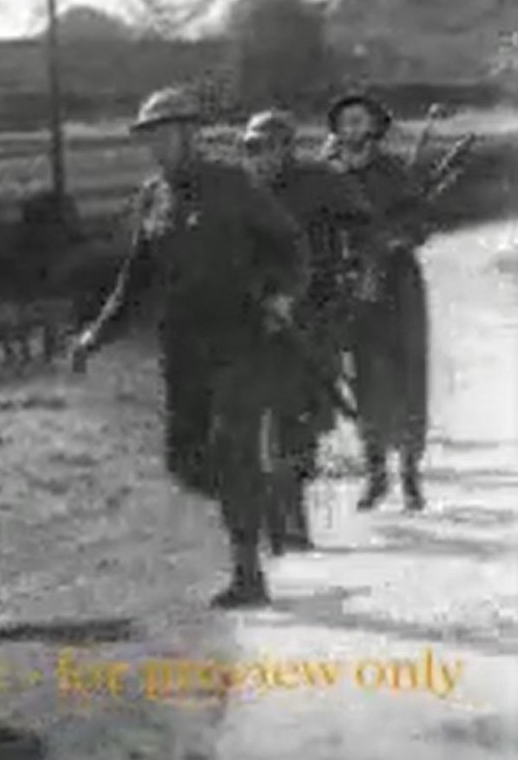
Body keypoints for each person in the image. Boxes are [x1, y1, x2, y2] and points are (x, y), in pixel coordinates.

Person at [71, 87, 309, 608]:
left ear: (189, 133)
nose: (156, 146)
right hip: (181, 348)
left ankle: (249, 575)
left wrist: (284, 295)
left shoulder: (233, 185)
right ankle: (262, 498)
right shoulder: (153, 195)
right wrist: (96, 335)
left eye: (165, 134)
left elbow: (290, 244)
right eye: (149, 137)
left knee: (230, 447)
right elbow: (134, 280)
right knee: (184, 462)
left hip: (240, 338)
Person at [239, 109, 375, 551]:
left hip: (316, 313)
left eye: (267, 147)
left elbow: (364, 225)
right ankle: (281, 519)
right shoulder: (243, 193)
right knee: (266, 413)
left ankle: (292, 512)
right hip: (257, 318)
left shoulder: (320, 182)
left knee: (302, 414)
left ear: (287, 148)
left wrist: (360, 270)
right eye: (250, 148)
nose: (259, 157)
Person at [324, 92, 430, 512]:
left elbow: (420, 222)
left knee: (407, 376)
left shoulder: (393, 172)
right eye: (345, 121)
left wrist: (395, 238)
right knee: (365, 380)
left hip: (398, 285)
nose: (352, 129)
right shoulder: (326, 174)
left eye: (360, 121)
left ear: (373, 128)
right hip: (352, 286)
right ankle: (375, 473)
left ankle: (409, 473)